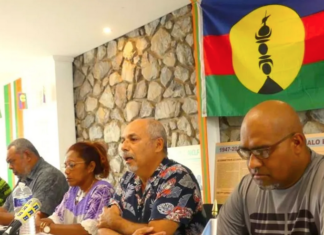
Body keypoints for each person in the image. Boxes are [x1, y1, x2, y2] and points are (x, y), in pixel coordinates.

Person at [217, 100, 324, 234]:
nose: (252, 164)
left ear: (297, 143)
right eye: (247, 152)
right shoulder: (245, 191)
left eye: (263, 151)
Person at [97, 119, 207, 235]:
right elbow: (104, 227)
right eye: (123, 140)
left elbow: (158, 232)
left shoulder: (177, 176)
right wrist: (113, 223)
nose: (123, 147)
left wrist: (117, 223)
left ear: (158, 145)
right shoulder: (128, 178)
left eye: (133, 139)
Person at [36, 141, 114, 235]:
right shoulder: (73, 190)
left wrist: (45, 228)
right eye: (65, 166)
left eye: (72, 165)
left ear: (90, 167)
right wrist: (37, 223)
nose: (66, 171)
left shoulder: (102, 190)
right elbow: (56, 218)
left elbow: (87, 230)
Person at [0, 138, 68, 225]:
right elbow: (5, 209)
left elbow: (32, 218)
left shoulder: (50, 176)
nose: (10, 167)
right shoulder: (24, 178)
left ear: (27, 155)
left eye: (12, 161)